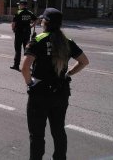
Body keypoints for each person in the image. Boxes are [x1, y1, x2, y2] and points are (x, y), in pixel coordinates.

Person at [21, 8, 89, 160]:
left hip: (40, 93)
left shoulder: (38, 40)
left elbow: (24, 68)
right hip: (60, 93)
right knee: (58, 131)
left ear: (45, 22)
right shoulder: (67, 42)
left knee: (37, 135)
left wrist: (29, 84)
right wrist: (69, 73)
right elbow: (84, 61)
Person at [10, 0, 37, 71]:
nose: (18, 6)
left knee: (18, 50)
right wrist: (31, 26)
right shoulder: (30, 12)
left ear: (22, 5)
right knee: (27, 50)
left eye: (19, 4)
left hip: (19, 33)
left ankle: (16, 65)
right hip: (27, 33)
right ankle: (27, 66)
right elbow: (36, 20)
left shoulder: (18, 12)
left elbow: (13, 23)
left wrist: (13, 29)